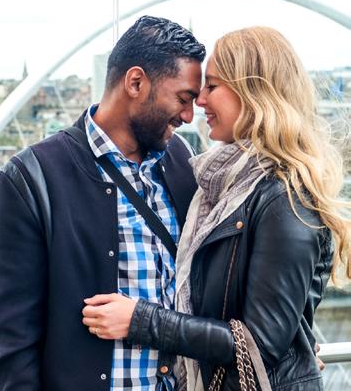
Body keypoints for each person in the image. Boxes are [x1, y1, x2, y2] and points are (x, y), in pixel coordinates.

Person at [82, 26, 351, 390]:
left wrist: (140, 321)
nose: (200, 103)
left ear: (253, 92)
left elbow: (262, 345)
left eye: (212, 86)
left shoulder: (285, 197)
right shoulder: (221, 186)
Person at [0, 15, 206, 390]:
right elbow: (14, 349)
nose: (188, 116)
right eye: (183, 99)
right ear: (135, 83)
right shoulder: (32, 177)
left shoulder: (183, 162)